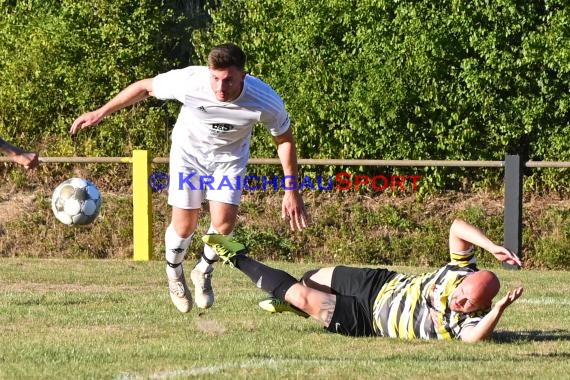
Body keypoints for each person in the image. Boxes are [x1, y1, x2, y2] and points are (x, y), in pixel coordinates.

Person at [70, 43, 309, 313]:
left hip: (228, 160)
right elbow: (145, 87)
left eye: (228, 80)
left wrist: (292, 190)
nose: (220, 87)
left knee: (224, 224)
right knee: (184, 227)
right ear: (208, 73)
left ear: (244, 75)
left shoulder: (265, 100)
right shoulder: (190, 82)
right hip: (189, 156)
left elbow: (284, 140)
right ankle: (174, 272)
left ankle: (203, 271)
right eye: (215, 78)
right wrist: (100, 112)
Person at [202, 218, 524, 342]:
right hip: (380, 284)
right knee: (309, 279)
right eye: (462, 293)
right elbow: (456, 227)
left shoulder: (470, 321)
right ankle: (291, 302)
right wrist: (493, 247)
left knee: (300, 294)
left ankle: (236, 257)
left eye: (469, 303)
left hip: (366, 320)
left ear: (482, 306)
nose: (459, 300)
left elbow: (475, 339)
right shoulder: (461, 272)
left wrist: (499, 311)